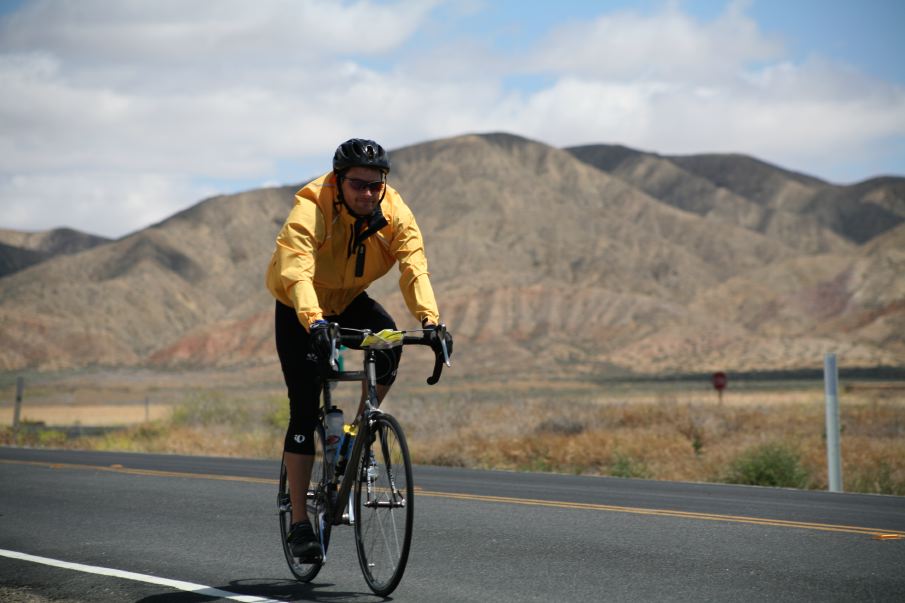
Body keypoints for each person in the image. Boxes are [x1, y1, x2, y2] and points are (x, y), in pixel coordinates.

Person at [266, 138, 452, 560]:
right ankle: (299, 524)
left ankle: (356, 434)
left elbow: (414, 267)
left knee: (389, 338)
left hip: (349, 300)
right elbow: (295, 272)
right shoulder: (311, 208)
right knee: (302, 408)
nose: (368, 194)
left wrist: (431, 322)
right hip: (300, 305)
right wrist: (314, 322)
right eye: (358, 185)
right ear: (338, 181)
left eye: (376, 185)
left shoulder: (395, 212)